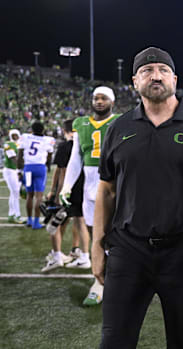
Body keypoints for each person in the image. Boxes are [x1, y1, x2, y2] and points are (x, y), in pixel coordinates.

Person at [92, 46, 183, 348]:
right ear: (134, 81)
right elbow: (106, 189)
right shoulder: (118, 128)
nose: (155, 76)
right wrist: (95, 244)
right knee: (114, 342)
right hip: (128, 249)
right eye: (147, 71)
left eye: (162, 70)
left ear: (174, 78)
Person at [60, 86, 120, 306]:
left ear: (112, 102)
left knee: (117, 237)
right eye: (96, 98)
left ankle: (112, 281)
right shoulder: (81, 124)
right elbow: (75, 158)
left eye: (104, 98)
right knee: (96, 237)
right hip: (89, 186)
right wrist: (66, 186)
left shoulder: (121, 122)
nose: (99, 101)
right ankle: (100, 281)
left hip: (115, 184)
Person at [42, 119, 89, 272]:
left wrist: (57, 193)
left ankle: (56, 256)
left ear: (65, 130)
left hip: (69, 189)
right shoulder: (85, 143)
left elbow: (61, 171)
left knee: (54, 222)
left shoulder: (64, 146)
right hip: (84, 187)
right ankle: (82, 254)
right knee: (80, 222)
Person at [17, 121, 54, 229]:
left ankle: (29, 220)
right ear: (43, 130)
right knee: (39, 196)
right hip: (40, 168)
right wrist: (48, 166)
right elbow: (50, 156)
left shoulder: (25, 137)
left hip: (28, 168)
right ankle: (36, 223)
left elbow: (20, 155)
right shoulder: (48, 140)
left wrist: (19, 170)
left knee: (29, 195)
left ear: (31, 130)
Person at [3, 129, 26, 223]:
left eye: (16, 135)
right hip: (10, 170)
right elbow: (13, 158)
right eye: (13, 135)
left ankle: (11, 215)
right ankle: (17, 215)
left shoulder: (19, 144)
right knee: (16, 192)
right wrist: (22, 168)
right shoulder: (8, 144)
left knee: (13, 193)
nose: (15, 137)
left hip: (15, 171)